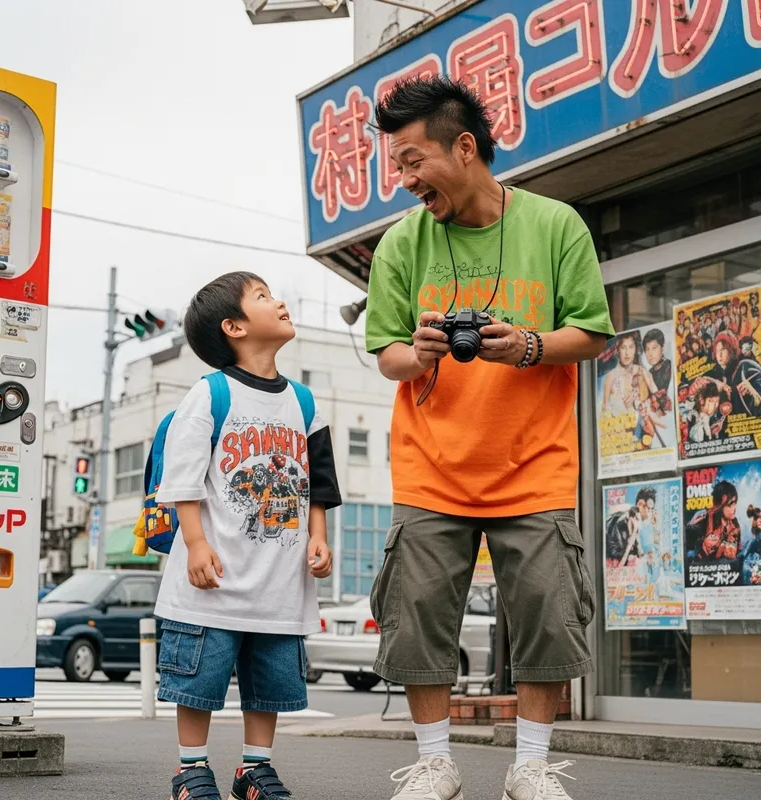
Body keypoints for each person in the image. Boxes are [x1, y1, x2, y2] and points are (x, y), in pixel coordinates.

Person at [365, 76, 614, 800]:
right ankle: (435, 764)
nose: (405, 180)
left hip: (535, 465)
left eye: (413, 162)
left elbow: (593, 332)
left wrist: (530, 346)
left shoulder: (556, 224)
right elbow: (387, 355)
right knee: (416, 621)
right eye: (397, 165)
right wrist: (421, 354)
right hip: (431, 467)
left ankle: (531, 766)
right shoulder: (400, 244)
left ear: (464, 147)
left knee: (547, 613)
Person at [152, 272, 341, 800]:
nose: (279, 300)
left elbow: (319, 481)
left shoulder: (303, 402)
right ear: (234, 326)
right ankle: (191, 768)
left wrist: (318, 536)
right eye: (263, 296)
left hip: (279, 581)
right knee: (200, 678)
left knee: (272, 679)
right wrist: (194, 542)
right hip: (213, 577)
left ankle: (254, 768)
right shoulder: (209, 394)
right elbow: (183, 474)